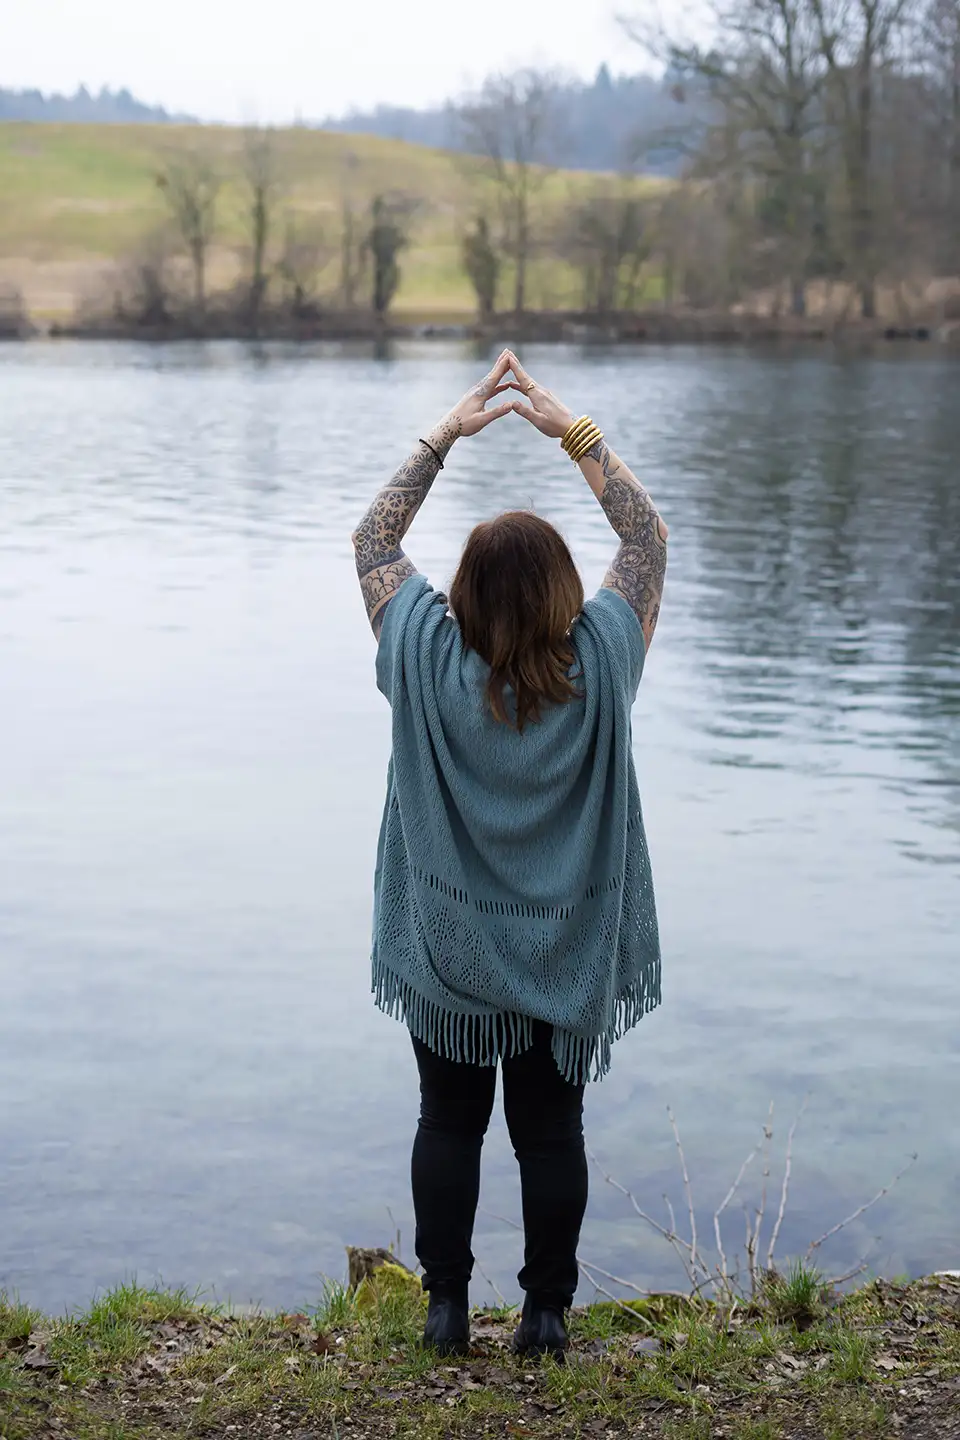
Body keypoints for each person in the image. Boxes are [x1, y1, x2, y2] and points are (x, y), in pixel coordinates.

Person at [351, 349, 667, 1359]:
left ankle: (447, 1310)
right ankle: (545, 1317)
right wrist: (573, 433)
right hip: (564, 944)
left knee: (448, 1121)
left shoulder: (426, 656)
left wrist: (447, 431)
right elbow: (647, 536)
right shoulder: (604, 664)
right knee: (550, 1132)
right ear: (566, 592)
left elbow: (373, 537)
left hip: (448, 948)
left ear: (467, 595)